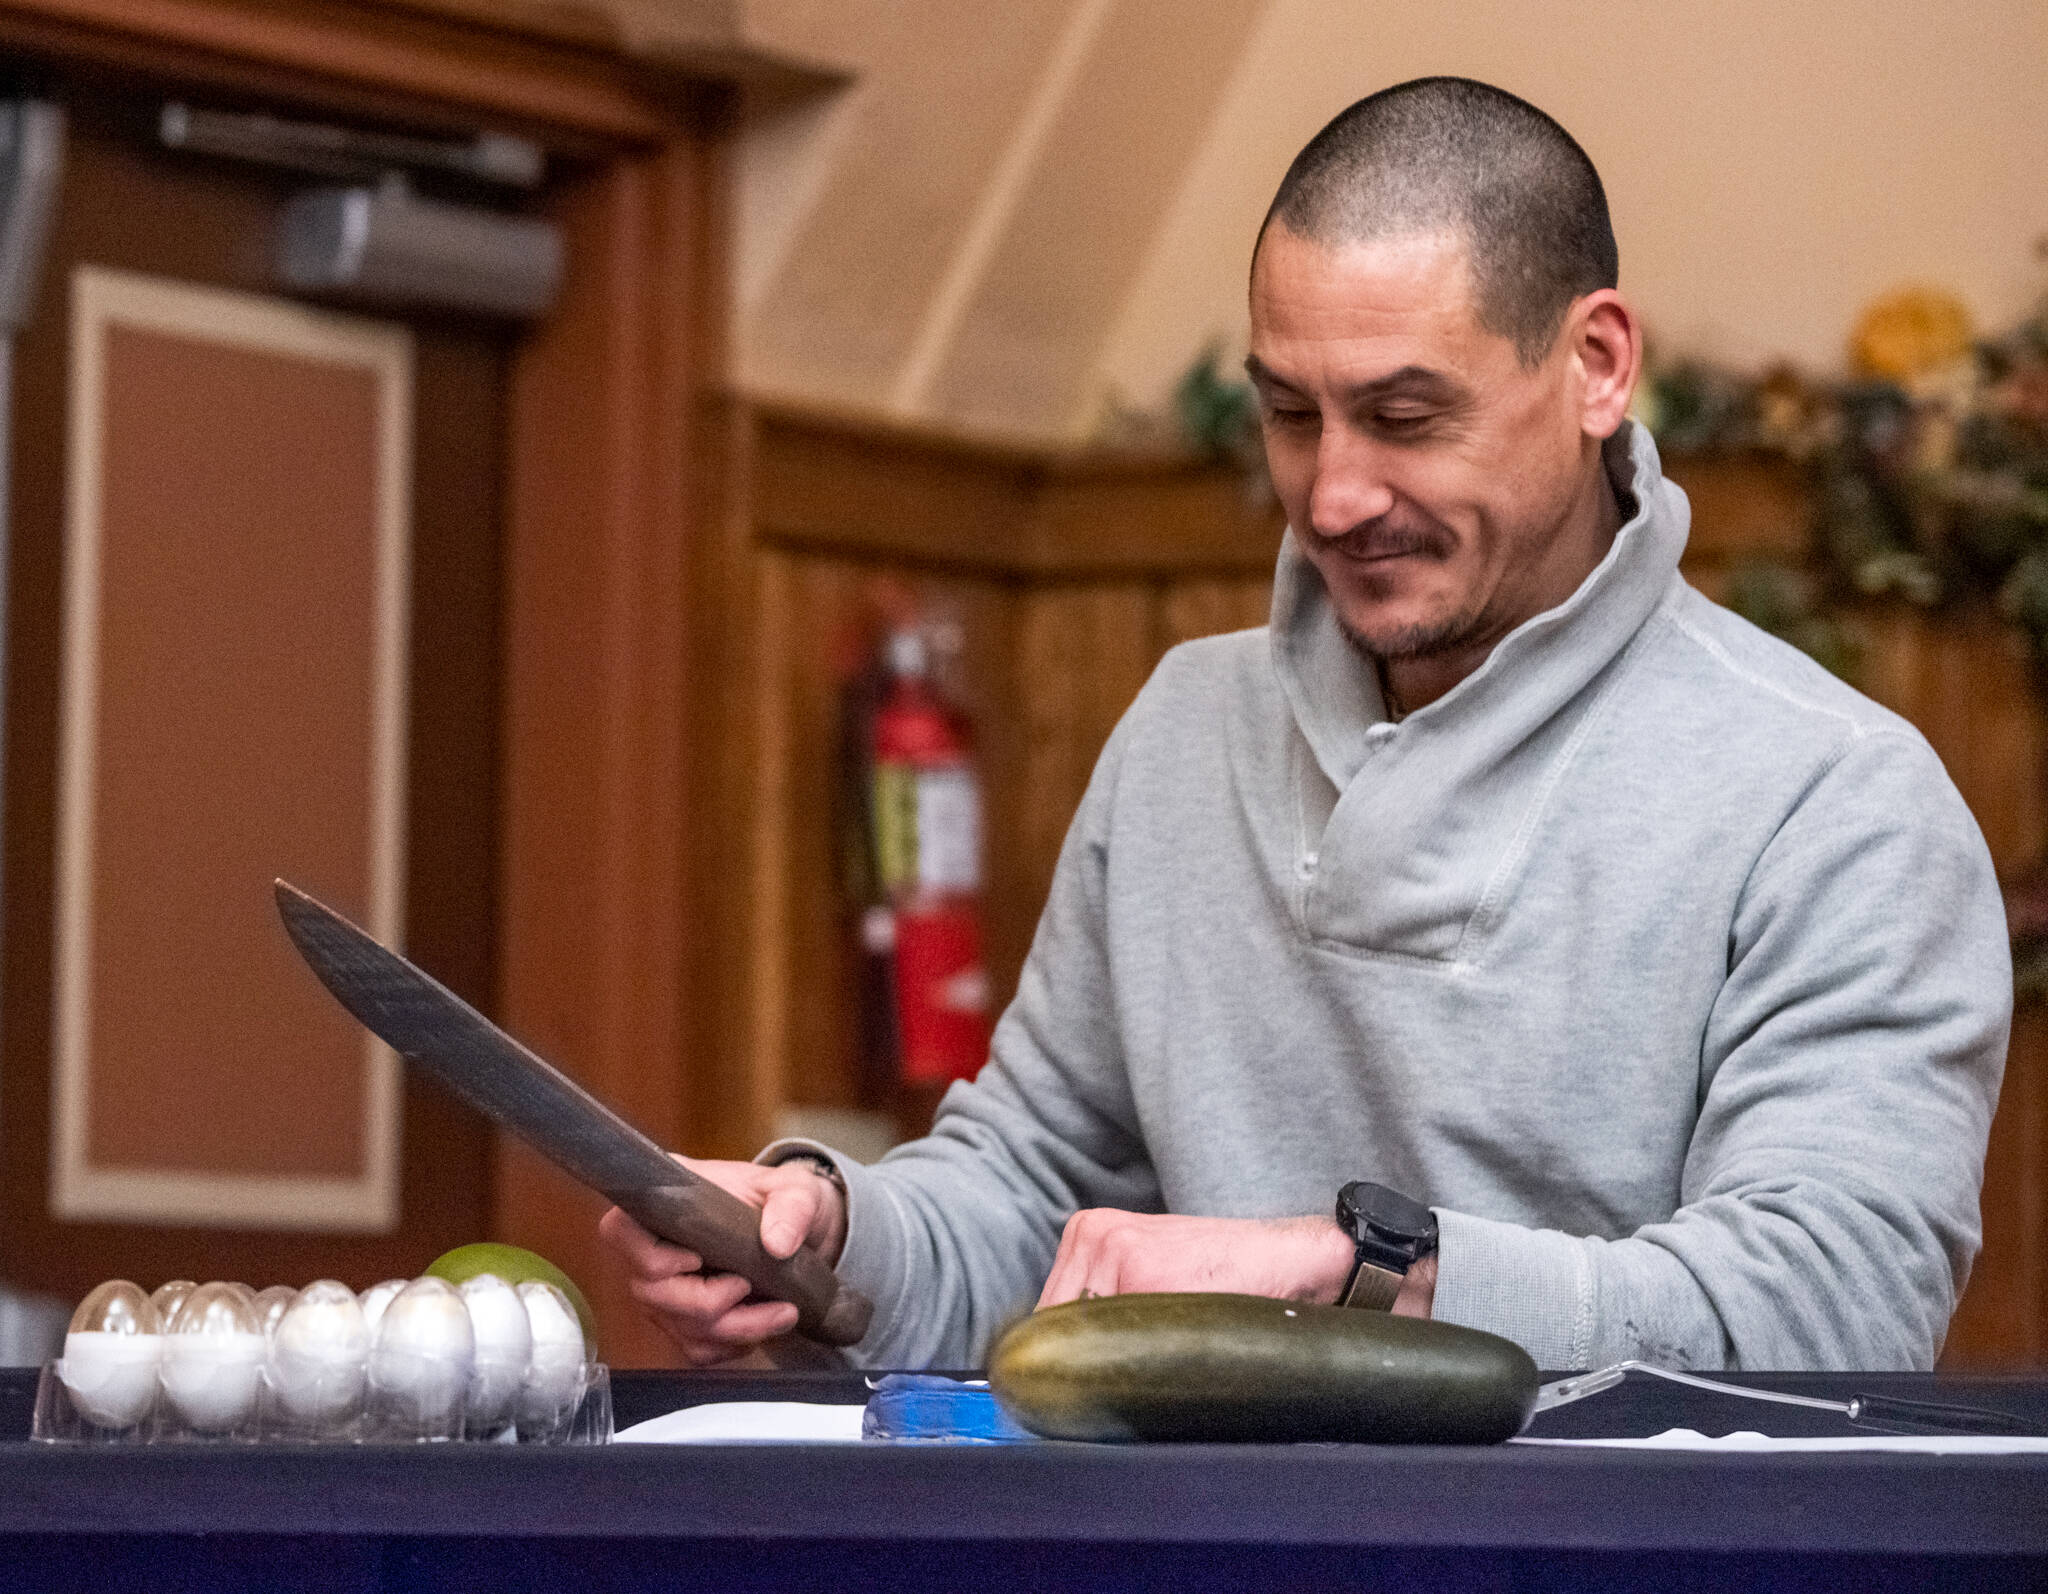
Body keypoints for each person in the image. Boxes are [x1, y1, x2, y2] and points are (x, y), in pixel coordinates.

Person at [600, 77, 2008, 1372]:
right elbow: (1033, 1202)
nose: (1334, 495)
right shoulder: (1185, 729)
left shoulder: (1837, 798)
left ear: (1596, 365)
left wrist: (1363, 1271)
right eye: (1290, 414)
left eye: (1406, 415)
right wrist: (831, 1239)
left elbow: (1832, 1311)